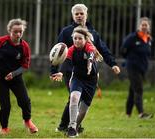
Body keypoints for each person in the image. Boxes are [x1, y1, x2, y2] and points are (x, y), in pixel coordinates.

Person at [50, 4, 120, 134]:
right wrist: (54, 71)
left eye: (81, 13)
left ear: (86, 15)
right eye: (76, 14)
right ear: (73, 16)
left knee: (81, 101)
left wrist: (113, 64)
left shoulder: (93, 33)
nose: (79, 15)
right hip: (71, 72)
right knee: (74, 97)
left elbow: (102, 49)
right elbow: (57, 52)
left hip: (89, 74)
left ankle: (74, 125)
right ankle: (64, 126)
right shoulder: (66, 32)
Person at [0, 18, 38, 134]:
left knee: (25, 101)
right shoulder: (1, 41)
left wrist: (13, 74)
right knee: (5, 105)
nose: (18, 34)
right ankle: (4, 128)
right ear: (9, 31)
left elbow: (25, 66)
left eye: (20, 32)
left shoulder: (24, 46)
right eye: (15, 32)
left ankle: (27, 121)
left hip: (15, 77)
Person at [121, 17, 153, 119]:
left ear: (149, 27)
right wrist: (129, 59)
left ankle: (128, 114)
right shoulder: (132, 37)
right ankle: (141, 113)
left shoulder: (148, 39)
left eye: (146, 25)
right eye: (142, 25)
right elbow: (123, 50)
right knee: (138, 89)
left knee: (132, 91)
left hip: (142, 68)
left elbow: (147, 54)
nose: (144, 27)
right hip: (132, 67)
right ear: (139, 26)